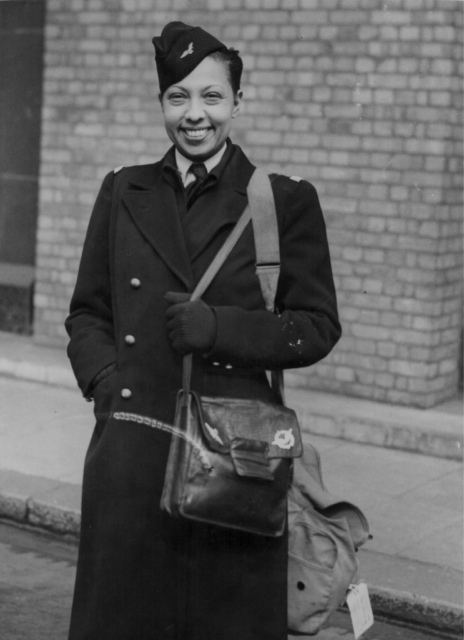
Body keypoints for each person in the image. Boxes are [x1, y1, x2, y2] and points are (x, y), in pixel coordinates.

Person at [65, 21, 341, 640]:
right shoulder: (122, 190)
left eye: (212, 97)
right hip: (132, 461)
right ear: (163, 104)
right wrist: (108, 385)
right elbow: (88, 313)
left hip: (235, 466)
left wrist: (219, 328)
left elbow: (318, 326)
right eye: (178, 97)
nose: (196, 115)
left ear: (237, 103)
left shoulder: (281, 201)